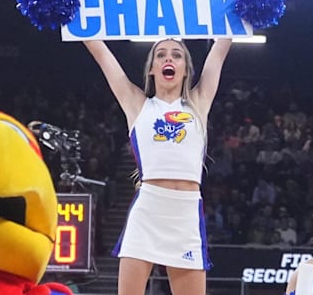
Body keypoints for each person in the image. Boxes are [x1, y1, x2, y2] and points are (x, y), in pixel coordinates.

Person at [83, 38, 232, 295]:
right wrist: (75, 15)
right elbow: (102, 55)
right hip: (148, 210)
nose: (168, 59)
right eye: (160, 55)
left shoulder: (199, 102)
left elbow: (220, 50)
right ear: (151, 68)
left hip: (186, 213)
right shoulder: (137, 104)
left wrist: (243, 5)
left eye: (177, 55)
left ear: (186, 69)